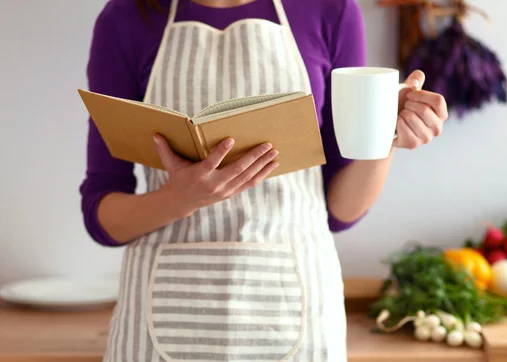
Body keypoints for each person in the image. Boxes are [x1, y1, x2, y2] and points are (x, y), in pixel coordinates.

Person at [80, 0, 448, 360]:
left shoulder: (330, 11)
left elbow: (340, 211)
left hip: (295, 316)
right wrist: (180, 198)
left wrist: (387, 135)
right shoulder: (126, 18)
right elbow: (101, 214)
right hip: (162, 318)